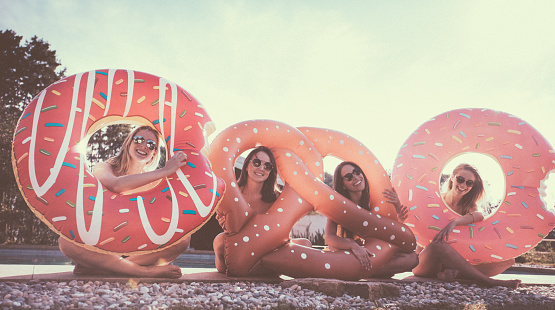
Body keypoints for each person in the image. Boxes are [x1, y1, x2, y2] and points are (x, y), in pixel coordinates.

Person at [58, 125, 190, 278]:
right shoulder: (104, 167)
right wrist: (165, 171)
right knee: (65, 242)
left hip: (135, 244)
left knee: (182, 240)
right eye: (139, 139)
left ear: (154, 153)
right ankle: (142, 271)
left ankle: (105, 266)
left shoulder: (155, 183)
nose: (143, 146)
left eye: (151, 144)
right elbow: (116, 184)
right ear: (129, 143)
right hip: (103, 240)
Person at [405, 163, 521, 288]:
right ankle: (488, 281)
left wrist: (454, 222)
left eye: (469, 183)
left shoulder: (468, 206)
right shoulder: (436, 200)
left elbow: (479, 215)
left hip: (449, 263)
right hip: (423, 262)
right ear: (452, 177)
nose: (463, 185)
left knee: (508, 261)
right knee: (438, 245)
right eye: (460, 179)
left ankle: (446, 274)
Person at [213, 146, 312, 273]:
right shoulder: (234, 194)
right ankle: (263, 268)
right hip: (241, 248)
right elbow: (230, 228)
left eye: (267, 166)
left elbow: (283, 231)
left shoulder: (277, 197)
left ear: (271, 171)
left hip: (270, 247)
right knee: (220, 241)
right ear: (247, 166)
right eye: (257, 163)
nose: (261, 168)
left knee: (305, 244)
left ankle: (256, 268)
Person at [325, 161, 418, 277]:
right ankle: (364, 270)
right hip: (348, 254)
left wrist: (398, 213)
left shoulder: (375, 203)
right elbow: (329, 238)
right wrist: (353, 245)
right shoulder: (338, 206)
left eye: (357, 172)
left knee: (412, 258)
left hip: (371, 253)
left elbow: (387, 235)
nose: (355, 177)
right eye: (348, 177)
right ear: (343, 184)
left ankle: (366, 271)